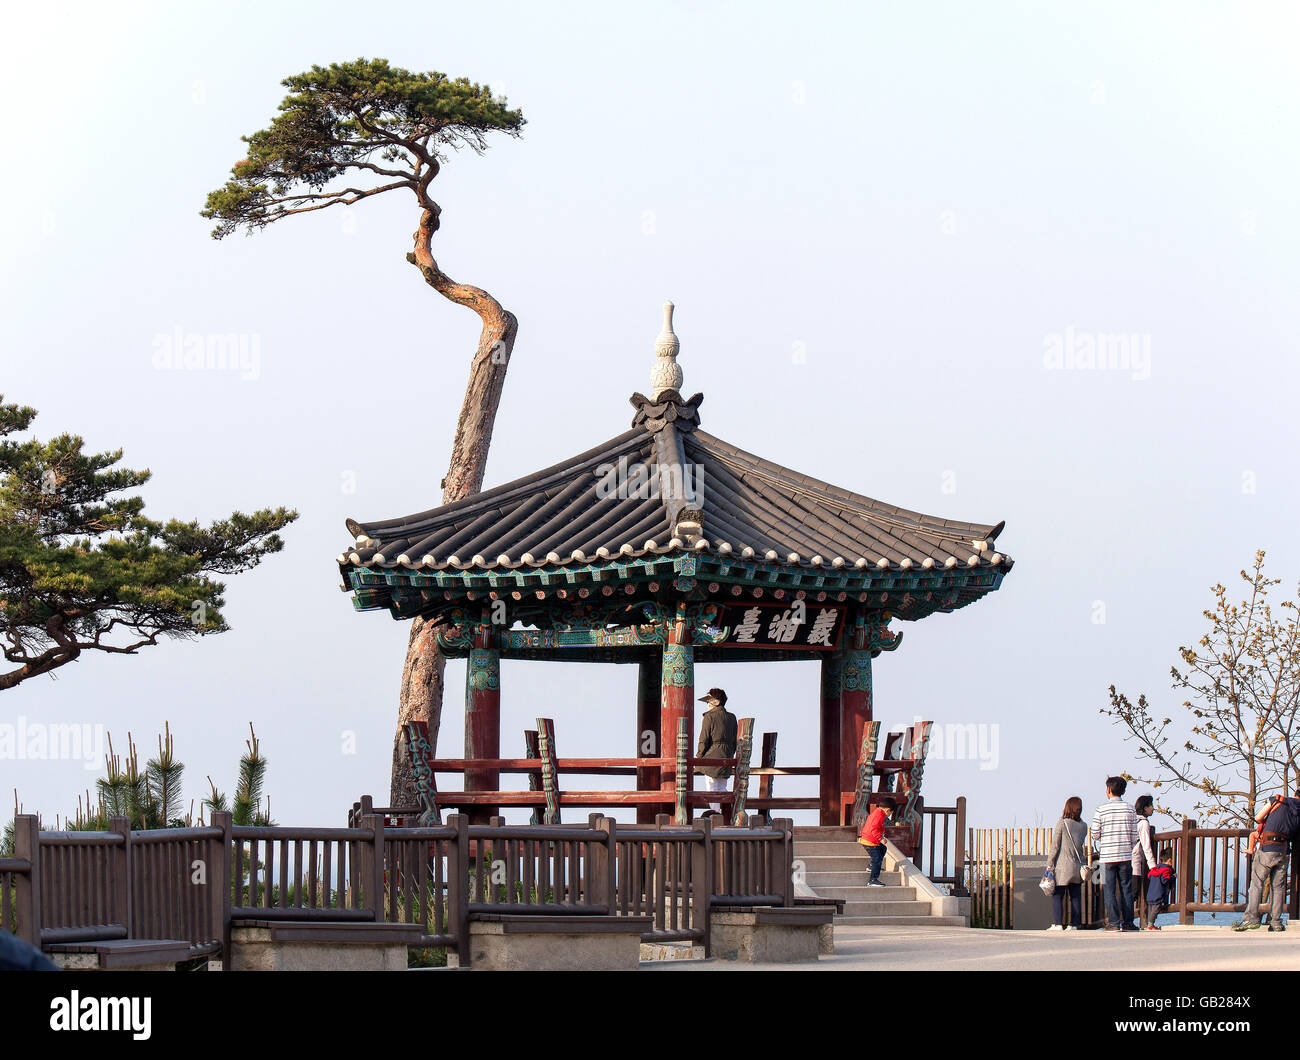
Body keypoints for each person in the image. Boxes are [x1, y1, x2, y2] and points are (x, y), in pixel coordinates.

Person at [1233, 788, 1300, 932]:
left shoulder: (1278, 800)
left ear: (1295, 793)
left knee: (1257, 884)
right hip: (1284, 850)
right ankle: (1276, 922)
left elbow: (1258, 817)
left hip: (1268, 847)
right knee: (1278, 888)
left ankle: (1251, 919)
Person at [1090, 776, 1140, 932]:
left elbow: (1095, 833)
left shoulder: (1101, 809)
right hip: (1125, 855)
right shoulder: (1130, 808)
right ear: (1123, 791)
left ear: (1109, 790)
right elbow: (1134, 835)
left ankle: (1113, 923)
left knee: (1109, 890)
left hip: (1107, 856)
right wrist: (1129, 846)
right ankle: (1128, 923)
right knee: (1126, 889)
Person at [1045, 796, 1088, 931]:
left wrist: (1050, 863)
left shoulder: (1062, 824)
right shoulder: (1084, 826)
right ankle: (1074, 924)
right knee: (1075, 896)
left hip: (1063, 867)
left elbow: (1055, 846)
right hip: (1077, 866)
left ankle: (1058, 924)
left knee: (1057, 895)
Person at [695, 687, 738, 815]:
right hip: (727, 755)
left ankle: (715, 815)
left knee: (712, 787)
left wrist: (699, 759)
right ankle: (724, 814)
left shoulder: (709, 717)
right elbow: (734, 741)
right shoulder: (732, 717)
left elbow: (703, 740)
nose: (707, 704)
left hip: (711, 756)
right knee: (722, 787)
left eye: (709, 701)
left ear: (716, 702)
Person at [1131, 794, 1157, 928]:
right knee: (1133, 893)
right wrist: (1152, 865)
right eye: (1151, 806)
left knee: (1125, 892)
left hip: (1123, 859)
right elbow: (1146, 846)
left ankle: (1119, 921)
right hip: (1135, 862)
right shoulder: (1144, 823)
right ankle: (1127, 921)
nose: (1153, 809)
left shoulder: (1131, 820)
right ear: (1145, 807)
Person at [858, 800, 895, 886]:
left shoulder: (877, 813)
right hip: (870, 841)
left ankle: (871, 866)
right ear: (887, 810)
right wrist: (881, 838)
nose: (889, 816)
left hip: (870, 840)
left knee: (883, 849)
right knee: (877, 858)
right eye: (890, 814)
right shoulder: (878, 816)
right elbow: (874, 829)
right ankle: (872, 880)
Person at [1143, 850, 1175, 930]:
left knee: (1150, 909)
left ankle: (1149, 924)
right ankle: (1150, 925)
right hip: (1158, 893)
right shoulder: (1167, 869)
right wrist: (1173, 876)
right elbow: (1164, 880)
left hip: (1151, 893)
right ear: (1169, 860)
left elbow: (1149, 876)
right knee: (1156, 909)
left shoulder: (1156, 868)